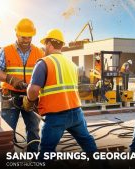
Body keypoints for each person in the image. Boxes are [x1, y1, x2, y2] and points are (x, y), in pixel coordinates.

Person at [23, 29, 98, 161]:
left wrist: (29, 100)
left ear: (50, 44)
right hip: (76, 113)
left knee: (46, 152)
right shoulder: (72, 64)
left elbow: (33, 90)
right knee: (87, 142)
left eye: (45, 44)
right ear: (61, 45)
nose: (44, 47)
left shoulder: (43, 63)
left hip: (56, 116)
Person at [0, 18, 44, 152]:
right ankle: (8, 157)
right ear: (16, 34)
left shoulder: (39, 52)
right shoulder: (5, 51)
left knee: (33, 128)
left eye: (29, 37)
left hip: (31, 96)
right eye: (23, 37)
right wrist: (10, 79)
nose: (26, 40)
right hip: (9, 96)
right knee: (8, 129)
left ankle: (33, 157)